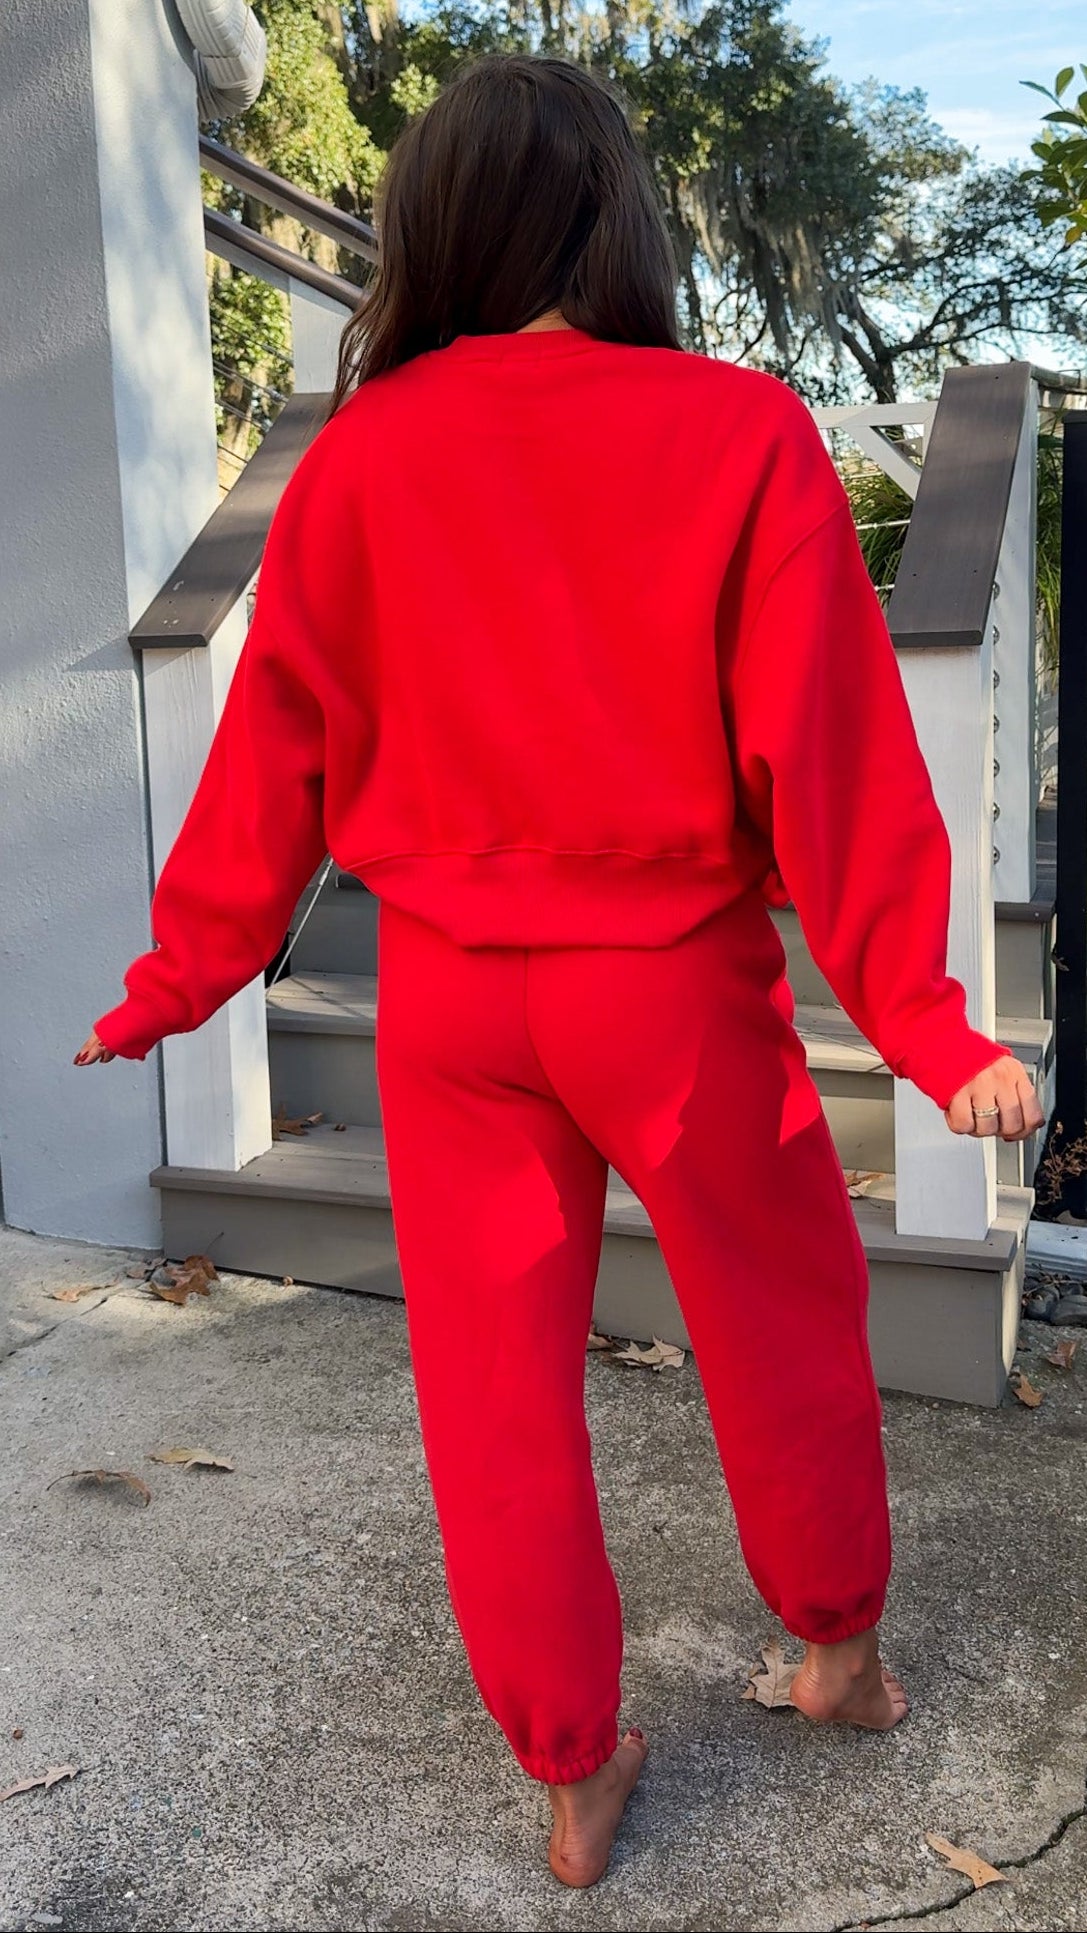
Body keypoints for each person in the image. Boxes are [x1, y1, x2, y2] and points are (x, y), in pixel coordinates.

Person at [75, 51, 1044, 1890]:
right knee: (775, 1318)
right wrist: (917, 1017)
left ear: (435, 228)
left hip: (447, 1002)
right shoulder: (739, 432)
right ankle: (835, 1652)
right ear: (624, 226)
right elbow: (830, 763)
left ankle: (571, 1774)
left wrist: (182, 973)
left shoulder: (361, 457)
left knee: (493, 1385)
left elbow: (272, 749)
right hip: (669, 992)